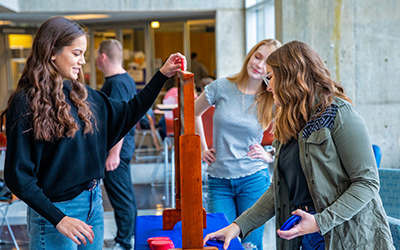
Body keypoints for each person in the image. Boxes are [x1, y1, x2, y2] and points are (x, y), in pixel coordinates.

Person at [0, 16, 185, 250]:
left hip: (93, 204)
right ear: (52, 53)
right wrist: (60, 219)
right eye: (77, 53)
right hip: (55, 214)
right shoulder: (24, 102)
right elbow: (18, 177)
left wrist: (162, 75)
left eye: (83, 54)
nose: (83, 61)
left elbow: (129, 112)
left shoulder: (83, 95)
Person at [203, 41, 395, 250]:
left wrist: (320, 222)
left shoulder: (341, 113)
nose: (268, 86)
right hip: (304, 236)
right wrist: (236, 227)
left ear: (289, 76)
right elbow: (278, 190)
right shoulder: (289, 120)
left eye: (271, 77)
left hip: (346, 236)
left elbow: (367, 183)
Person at [195, 39, 282, 250]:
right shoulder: (222, 86)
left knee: (251, 245)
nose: (259, 65)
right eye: (257, 56)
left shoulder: (271, 97)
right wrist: (201, 148)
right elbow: (191, 112)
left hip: (254, 180)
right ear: (250, 56)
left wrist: (270, 155)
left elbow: (290, 132)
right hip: (219, 180)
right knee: (220, 243)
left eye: (267, 63)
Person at [96, 39, 137, 250]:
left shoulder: (118, 83)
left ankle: (124, 241)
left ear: (103, 57)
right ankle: (127, 237)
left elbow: (121, 121)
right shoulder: (122, 80)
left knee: (121, 197)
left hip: (117, 150)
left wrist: (113, 154)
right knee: (125, 194)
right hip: (120, 148)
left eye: (96, 55)